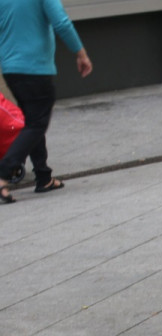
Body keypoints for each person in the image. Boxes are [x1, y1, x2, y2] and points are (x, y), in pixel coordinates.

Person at [0, 0, 92, 204]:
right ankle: (4, 174)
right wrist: (81, 53)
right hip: (35, 68)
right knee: (37, 123)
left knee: (32, 121)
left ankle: (43, 177)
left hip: (11, 69)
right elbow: (61, 23)